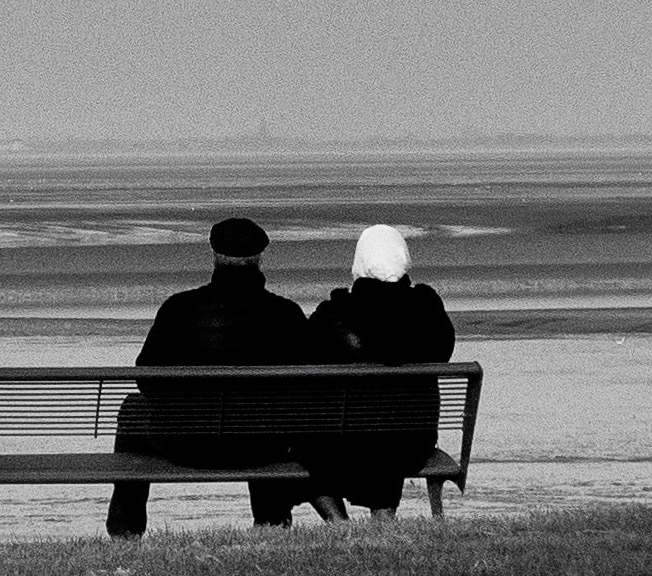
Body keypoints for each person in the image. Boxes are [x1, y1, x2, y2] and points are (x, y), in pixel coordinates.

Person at [106, 215, 310, 537]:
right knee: (270, 415)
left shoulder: (178, 309)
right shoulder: (285, 313)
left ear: (214, 255)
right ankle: (272, 522)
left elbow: (147, 378)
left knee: (132, 409)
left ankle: (125, 529)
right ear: (258, 258)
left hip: (188, 445)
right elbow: (307, 383)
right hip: (261, 448)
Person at [307, 222, 455, 515]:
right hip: (413, 442)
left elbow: (305, 361)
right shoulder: (427, 309)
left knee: (308, 443)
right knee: (386, 436)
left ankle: (338, 522)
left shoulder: (332, 314)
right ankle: (383, 515)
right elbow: (443, 353)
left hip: (344, 440)